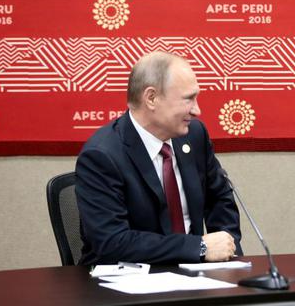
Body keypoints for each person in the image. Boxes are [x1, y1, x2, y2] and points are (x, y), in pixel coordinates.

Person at [75, 51, 241, 265]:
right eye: (188, 99)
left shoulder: (194, 135)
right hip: (128, 283)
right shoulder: (101, 156)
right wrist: (198, 247)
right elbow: (113, 242)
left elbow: (221, 200)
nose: (197, 110)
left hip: (198, 275)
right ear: (151, 98)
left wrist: (227, 254)